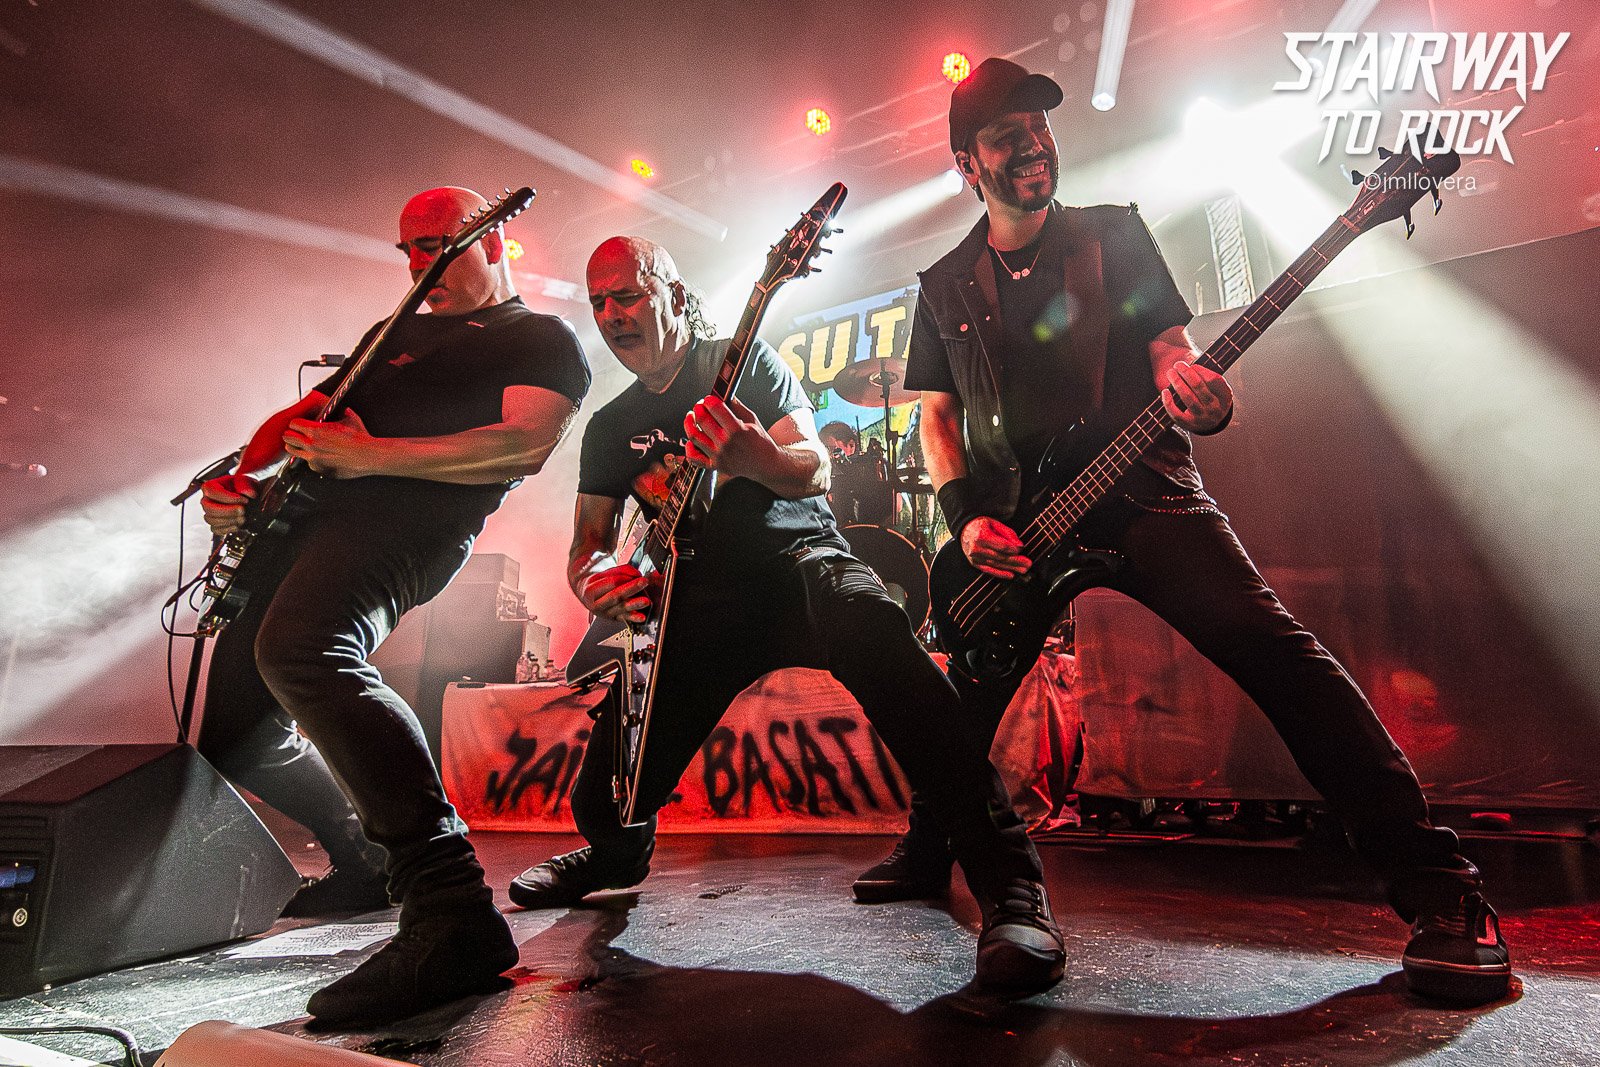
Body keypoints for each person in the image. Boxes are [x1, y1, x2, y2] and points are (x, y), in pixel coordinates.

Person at [853, 58, 1512, 1006]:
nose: (1033, 145)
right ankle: (931, 845)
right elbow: (939, 416)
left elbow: (1169, 347)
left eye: (1040, 127)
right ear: (968, 164)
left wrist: (1196, 392)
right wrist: (965, 522)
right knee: (959, 708)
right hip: (1026, 529)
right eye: (1007, 136)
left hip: (1145, 491)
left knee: (1281, 657)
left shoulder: (1113, 234)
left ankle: (1442, 889)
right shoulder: (947, 283)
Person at [506, 235, 1066, 992]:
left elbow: (815, 466)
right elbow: (589, 547)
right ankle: (616, 854)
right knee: (600, 799)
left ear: (676, 295)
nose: (611, 314)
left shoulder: (742, 363)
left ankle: (1011, 887)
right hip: (699, 606)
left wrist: (753, 458)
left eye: (628, 295)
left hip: (800, 563)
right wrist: (594, 581)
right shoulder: (610, 426)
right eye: (599, 301)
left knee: (877, 634)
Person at [197, 186, 590, 1026]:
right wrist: (243, 482)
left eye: (438, 245)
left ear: (495, 241)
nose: (419, 265)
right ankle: (359, 856)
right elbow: (302, 417)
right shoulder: (393, 332)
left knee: (305, 648)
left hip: (407, 526)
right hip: (308, 520)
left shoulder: (539, 336)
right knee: (235, 731)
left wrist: (370, 455)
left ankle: (450, 907)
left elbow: (523, 443)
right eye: (409, 249)